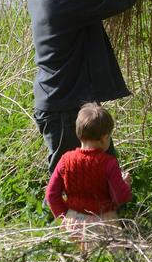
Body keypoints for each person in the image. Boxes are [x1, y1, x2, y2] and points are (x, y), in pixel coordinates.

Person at [29, 0, 152, 174]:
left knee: (103, 171)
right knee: (67, 180)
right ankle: (62, 214)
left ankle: (112, 211)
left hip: (65, 100)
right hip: (63, 108)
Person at [44, 103, 132, 246]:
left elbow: (51, 194)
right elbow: (119, 196)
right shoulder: (108, 163)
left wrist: (64, 217)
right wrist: (125, 184)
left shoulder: (66, 160)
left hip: (73, 222)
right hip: (104, 222)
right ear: (104, 138)